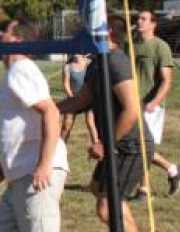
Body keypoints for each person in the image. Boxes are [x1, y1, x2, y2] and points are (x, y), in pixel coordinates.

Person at [58, 15, 153, 232]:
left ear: (107, 31)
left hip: (131, 146)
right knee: (98, 189)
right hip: (117, 146)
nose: (84, 31)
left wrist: (104, 144)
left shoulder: (115, 61)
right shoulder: (97, 63)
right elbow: (80, 101)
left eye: (89, 27)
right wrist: (46, 109)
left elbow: (131, 110)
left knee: (106, 208)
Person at [0, 18, 68, 232]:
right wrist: (5, 162)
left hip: (34, 175)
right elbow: (24, 122)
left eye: (4, 31)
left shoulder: (20, 69)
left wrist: (44, 164)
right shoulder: (15, 72)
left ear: (18, 39)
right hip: (20, 173)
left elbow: (51, 112)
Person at [129, 10, 180, 201]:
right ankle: (173, 170)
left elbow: (166, 80)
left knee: (142, 148)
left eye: (144, 19)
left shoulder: (160, 47)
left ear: (153, 24)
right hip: (131, 103)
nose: (139, 21)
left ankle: (144, 190)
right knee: (138, 147)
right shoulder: (131, 45)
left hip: (149, 106)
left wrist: (154, 102)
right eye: (138, 18)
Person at [60, 53, 98, 145]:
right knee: (66, 125)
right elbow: (66, 84)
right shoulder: (67, 67)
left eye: (78, 51)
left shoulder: (89, 64)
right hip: (74, 98)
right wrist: (71, 97)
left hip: (88, 99)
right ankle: (60, 147)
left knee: (91, 122)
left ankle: (97, 145)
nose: (76, 53)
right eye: (73, 51)